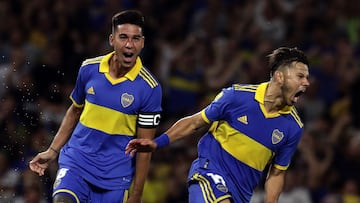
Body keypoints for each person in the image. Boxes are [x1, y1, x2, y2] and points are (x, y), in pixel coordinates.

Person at [126, 47, 310, 203]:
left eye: (306, 78)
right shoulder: (237, 96)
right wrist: (158, 143)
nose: (306, 83)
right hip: (208, 173)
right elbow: (195, 122)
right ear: (279, 77)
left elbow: (277, 173)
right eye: (300, 76)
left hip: (241, 195)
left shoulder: (293, 127)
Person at [29, 10, 162, 203]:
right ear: (112, 40)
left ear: (142, 43)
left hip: (115, 178)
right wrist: (52, 150)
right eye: (123, 37)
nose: (129, 45)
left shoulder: (150, 88)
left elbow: (144, 146)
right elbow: (75, 110)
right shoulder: (89, 68)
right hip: (77, 162)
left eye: (135, 39)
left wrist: (136, 194)